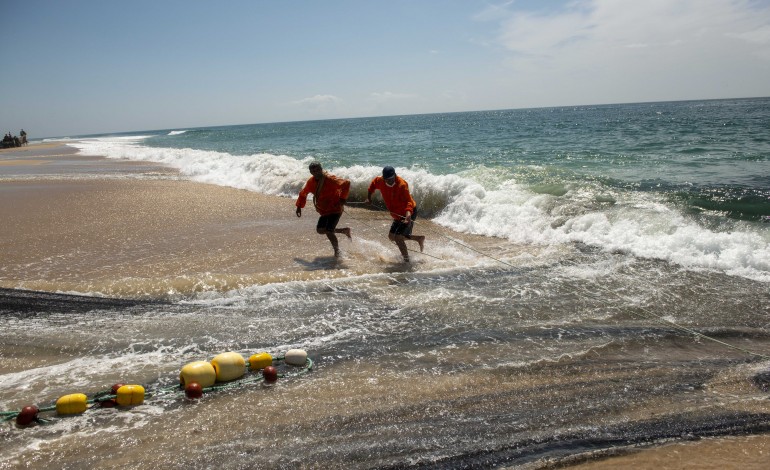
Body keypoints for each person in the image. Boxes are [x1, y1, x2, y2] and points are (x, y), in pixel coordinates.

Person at [366, 166, 425, 262]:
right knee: (391, 237)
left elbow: (408, 202)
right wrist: (369, 198)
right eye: (387, 180)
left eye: (391, 179)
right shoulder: (380, 181)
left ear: (395, 175)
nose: (389, 181)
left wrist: (408, 216)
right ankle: (418, 238)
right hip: (397, 214)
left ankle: (406, 261)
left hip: (408, 212)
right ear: (384, 178)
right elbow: (372, 185)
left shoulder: (402, 185)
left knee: (398, 238)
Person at [295, 161, 352, 257]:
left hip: (335, 209)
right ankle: (344, 231)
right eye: (313, 171)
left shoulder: (330, 179)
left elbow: (346, 184)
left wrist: (342, 199)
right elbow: (303, 193)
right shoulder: (311, 182)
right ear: (310, 172)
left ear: (321, 169)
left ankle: (337, 252)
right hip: (324, 210)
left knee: (329, 231)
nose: (316, 172)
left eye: (318, 169)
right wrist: (299, 206)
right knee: (320, 230)